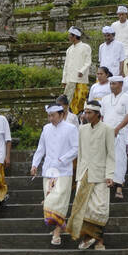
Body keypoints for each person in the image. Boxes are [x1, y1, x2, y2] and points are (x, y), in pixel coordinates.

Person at [67, 102, 118, 250]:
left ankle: (99, 240)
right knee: (82, 208)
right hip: (84, 174)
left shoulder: (108, 129)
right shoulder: (82, 129)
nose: (86, 116)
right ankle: (87, 238)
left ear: (97, 114)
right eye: (85, 112)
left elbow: (111, 155)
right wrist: (78, 176)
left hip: (101, 174)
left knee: (100, 209)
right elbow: (81, 154)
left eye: (89, 113)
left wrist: (109, 174)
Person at [31, 104, 79, 246]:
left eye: (53, 115)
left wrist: (63, 159)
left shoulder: (71, 129)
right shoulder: (46, 129)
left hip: (63, 171)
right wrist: (35, 164)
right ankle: (63, 226)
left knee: (57, 203)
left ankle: (57, 232)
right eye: (49, 116)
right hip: (48, 171)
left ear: (61, 114)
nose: (50, 118)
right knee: (49, 203)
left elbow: (76, 148)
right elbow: (41, 148)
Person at [107, 76, 128, 199]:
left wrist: (118, 128)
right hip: (107, 133)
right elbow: (103, 117)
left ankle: (119, 187)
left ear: (120, 84)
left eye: (114, 84)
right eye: (111, 84)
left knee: (120, 160)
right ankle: (109, 182)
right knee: (107, 159)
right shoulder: (105, 99)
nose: (112, 86)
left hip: (120, 133)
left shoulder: (127, 98)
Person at [61, 27, 92, 115]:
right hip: (70, 80)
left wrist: (82, 71)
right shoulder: (69, 49)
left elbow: (88, 62)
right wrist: (64, 80)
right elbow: (66, 66)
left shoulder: (85, 47)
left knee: (80, 101)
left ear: (75, 36)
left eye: (70, 35)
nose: (69, 37)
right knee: (68, 101)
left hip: (81, 80)